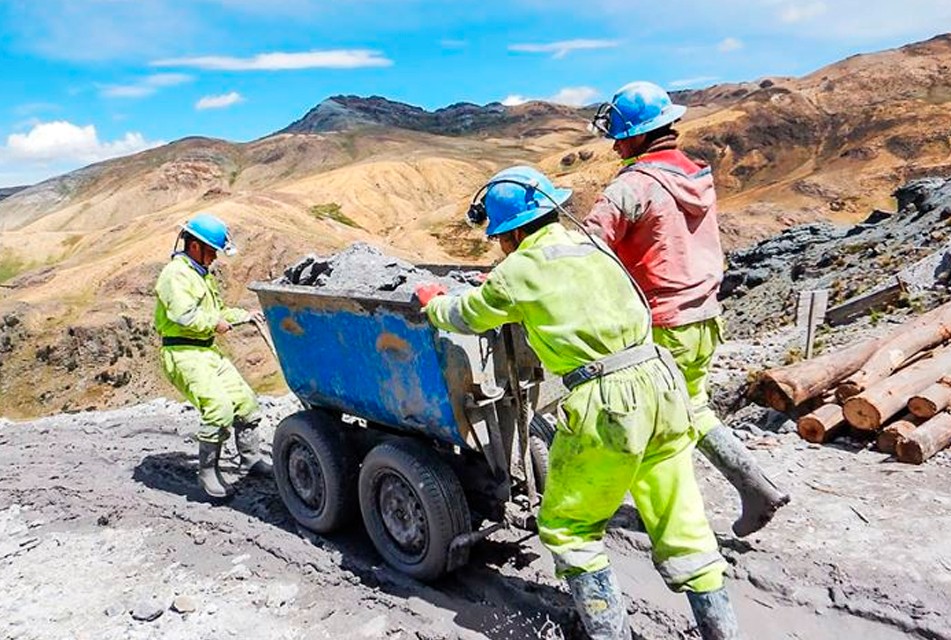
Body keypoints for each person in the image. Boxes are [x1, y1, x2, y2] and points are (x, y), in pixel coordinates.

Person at [415, 166, 740, 640]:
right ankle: (721, 630)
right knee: (679, 518)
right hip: (662, 383)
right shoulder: (594, 246)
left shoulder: (520, 269)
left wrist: (432, 302)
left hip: (608, 400)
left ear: (511, 232)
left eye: (499, 236)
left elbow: (467, 315)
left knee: (569, 526)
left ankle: (606, 633)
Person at [584, 81, 789, 537]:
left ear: (638, 135)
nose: (615, 145)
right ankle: (756, 487)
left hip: (659, 324)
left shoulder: (631, 188)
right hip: (703, 316)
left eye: (619, 135)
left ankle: (674, 524)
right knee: (692, 408)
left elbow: (587, 251)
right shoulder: (695, 175)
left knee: (652, 430)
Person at [153, 213, 272, 499]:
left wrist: (245, 316)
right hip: (183, 352)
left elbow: (216, 312)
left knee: (245, 402)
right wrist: (214, 324)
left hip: (206, 350)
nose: (215, 258)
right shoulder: (176, 274)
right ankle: (207, 472)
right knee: (219, 409)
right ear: (196, 247)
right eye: (213, 251)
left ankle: (250, 458)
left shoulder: (199, 274)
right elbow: (184, 315)